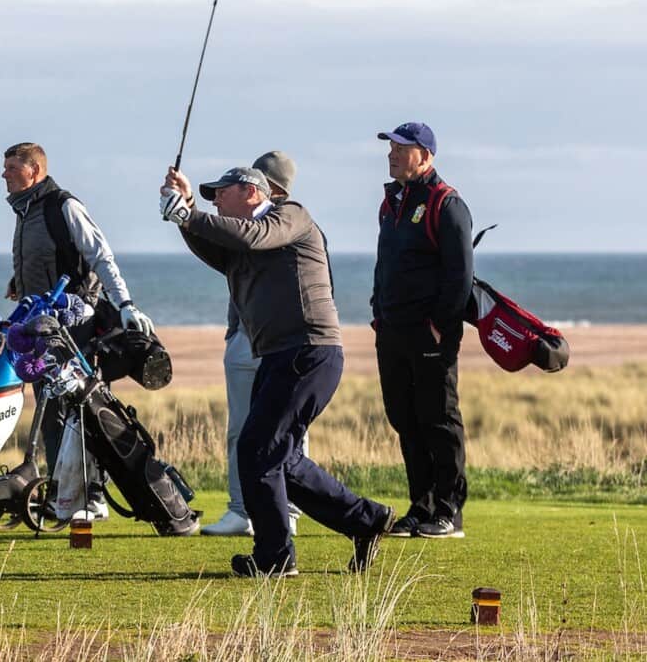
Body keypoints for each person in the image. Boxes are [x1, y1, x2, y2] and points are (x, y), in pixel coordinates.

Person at [161, 162, 393, 577]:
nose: (216, 202)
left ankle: (275, 556)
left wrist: (190, 214)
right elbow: (216, 248)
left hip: (309, 351)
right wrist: (185, 211)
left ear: (253, 191)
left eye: (221, 193)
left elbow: (252, 237)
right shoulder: (244, 240)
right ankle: (365, 520)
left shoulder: (289, 216)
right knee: (279, 458)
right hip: (280, 356)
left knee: (257, 450)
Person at [2, 141, 154, 520]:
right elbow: (47, 257)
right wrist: (19, 281)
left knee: (81, 411)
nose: (4, 175)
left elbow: (101, 256)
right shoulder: (26, 211)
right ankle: (65, 496)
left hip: (75, 327)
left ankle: (91, 498)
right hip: (42, 328)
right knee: (52, 411)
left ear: (34, 171)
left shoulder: (62, 206)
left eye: (11, 168)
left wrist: (126, 305)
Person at [372, 122, 475, 539]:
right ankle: (421, 507)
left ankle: (449, 511)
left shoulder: (446, 204)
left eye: (402, 148)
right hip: (392, 331)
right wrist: (378, 314)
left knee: (438, 420)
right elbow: (386, 267)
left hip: (430, 335)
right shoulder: (391, 202)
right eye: (391, 148)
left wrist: (439, 326)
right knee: (405, 418)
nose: (392, 154)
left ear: (426, 156)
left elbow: (460, 276)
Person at [200, 152, 306, 539]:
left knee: (287, 430)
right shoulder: (246, 225)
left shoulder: (289, 221)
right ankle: (240, 509)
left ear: (268, 187)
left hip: (283, 340)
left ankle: (287, 511)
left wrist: (190, 216)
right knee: (240, 429)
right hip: (245, 335)